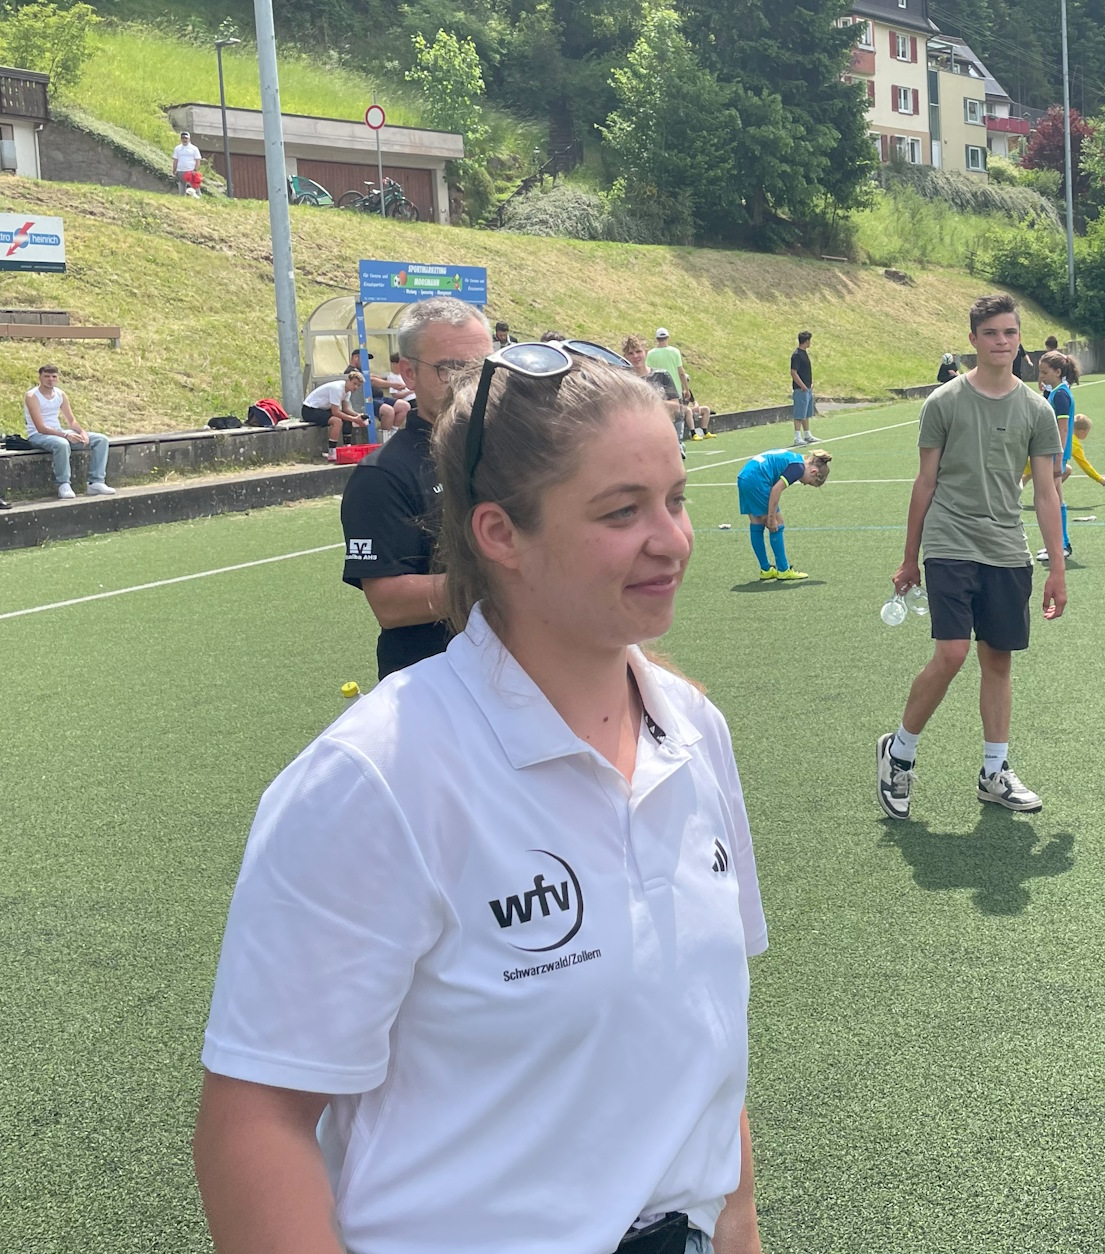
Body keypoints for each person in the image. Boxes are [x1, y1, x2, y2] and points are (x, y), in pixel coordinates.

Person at [194, 344, 766, 1254]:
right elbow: (255, 1121)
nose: (673, 540)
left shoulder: (693, 728)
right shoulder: (377, 777)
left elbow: (701, 1045)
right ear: (500, 535)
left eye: (677, 498)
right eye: (623, 512)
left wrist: (734, 1224)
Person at [877, 293, 1066, 821]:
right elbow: (925, 481)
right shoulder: (944, 402)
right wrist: (908, 556)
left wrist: (1057, 567)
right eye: (991, 334)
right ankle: (899, 756)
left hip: (1007, 546)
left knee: (998, 660)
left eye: (1010, 332)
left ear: (1019, 338)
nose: (1002, 342)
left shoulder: (1037, 409)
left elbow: (1047, 493)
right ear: (973, 341)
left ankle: (994, 772)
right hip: (949, 541)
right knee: (953, 653)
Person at [341, 297, 492, 679]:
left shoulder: (511, 451)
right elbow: (390, 604)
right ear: (408, 374)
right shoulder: (382, 474)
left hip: (516, 673)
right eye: (450, 369)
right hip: (436, 685)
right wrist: (504, 579)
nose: (469, 382)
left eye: (482, 367)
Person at [735, 448, 831, 580]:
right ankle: (783, 569)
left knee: (756, 522)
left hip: (744, 477)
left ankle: (766, 569)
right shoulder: (798, 468)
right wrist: (771, 517)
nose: (804, 484)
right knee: (777, 524)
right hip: (757, 480)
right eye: (809, 482)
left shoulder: (796, 459)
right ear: (814, 472)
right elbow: (776, 490)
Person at [24, 364, 115, 499]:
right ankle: (63, 484)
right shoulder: (32, 396)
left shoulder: (60, 394)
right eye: (47, 376)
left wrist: (82, 432)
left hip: (59, 432)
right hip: (38, 436)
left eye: (54, 376)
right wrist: (66, 435)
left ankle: (95, 482)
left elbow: (71, 420)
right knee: (62, 444)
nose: (50, 379)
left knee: (101, 439)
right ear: (40, 378)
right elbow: (40, 427)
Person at [1034, 350, 1079, 560]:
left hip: (1055, 453)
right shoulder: (1056, 392)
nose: (1041, 375)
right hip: (1051, 452)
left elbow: (1062, 429)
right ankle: (1057, 544)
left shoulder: (1061, 394)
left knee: (1052, 499)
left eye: (1045, 371)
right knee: (1055, 499)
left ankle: (1061, 545)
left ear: (1058, 371)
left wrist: (1059, 458)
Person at [301, 371, 368, 455]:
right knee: (337, 421)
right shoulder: (337, 389)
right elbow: (335, 412)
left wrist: (358, 415)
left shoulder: (347, 391)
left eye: (358, 385)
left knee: (347, 418)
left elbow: (346, 409)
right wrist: (354, 419)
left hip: (321, 409)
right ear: (348, 380)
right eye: (354, 383)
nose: (356, 387)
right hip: (309, 410)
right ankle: (332, 452)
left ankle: (347, 447)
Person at [789, 332, 817, 446]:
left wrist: (810, 383)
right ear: (806, 341)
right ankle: (797, 437)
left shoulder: (804, 353)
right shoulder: (796, 355)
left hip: (807, 388)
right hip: (801, 389)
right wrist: (802, 386)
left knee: (806, 413)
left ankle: (807, 435)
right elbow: (793, 372)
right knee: (799, 413)